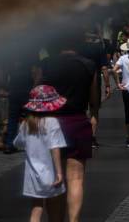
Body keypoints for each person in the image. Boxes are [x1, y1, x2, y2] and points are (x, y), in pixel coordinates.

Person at [41, 35, 99, 222]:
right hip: (77, 121)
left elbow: (36, 94)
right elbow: (94, 100)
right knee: (76, 178)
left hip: (51, 122)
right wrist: (94, 115)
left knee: (54, 180)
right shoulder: (88, 65)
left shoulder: (46, 64)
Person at [13, 85, 67, 222]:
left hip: (32, 175)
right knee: (53, 209)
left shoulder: (26, 124)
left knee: (36, 208)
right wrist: (60, 172)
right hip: (50, 172)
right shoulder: (52, 122)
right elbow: (55, 148)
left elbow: (17, 143)